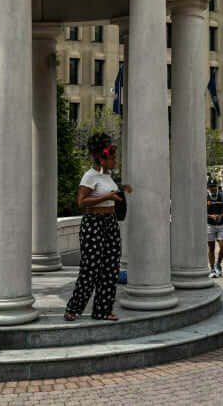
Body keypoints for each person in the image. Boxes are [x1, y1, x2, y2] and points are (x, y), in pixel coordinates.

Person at [65, 132, 131, 321]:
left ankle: (102, 310)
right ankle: (73, 308)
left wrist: (120, 190)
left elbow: (107, 193)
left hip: (110, 223)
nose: (115, 161)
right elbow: (82, 201)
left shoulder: (108, 177)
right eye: (112, 158)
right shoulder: (89, 176)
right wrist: (107, 197)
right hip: (93, 224)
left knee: (110, 268)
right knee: (90, 268)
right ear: (101, 159)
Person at [206, 179, 223, 277]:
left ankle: (218, 264)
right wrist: (211, 216)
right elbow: (201, 210)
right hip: (210, 225)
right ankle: (212, 269)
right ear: (208, 188)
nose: (213, 188)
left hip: (221, 225)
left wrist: (221, 215)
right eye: (211, 187)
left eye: (214, 186)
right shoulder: (205, 197)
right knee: (211, 248)